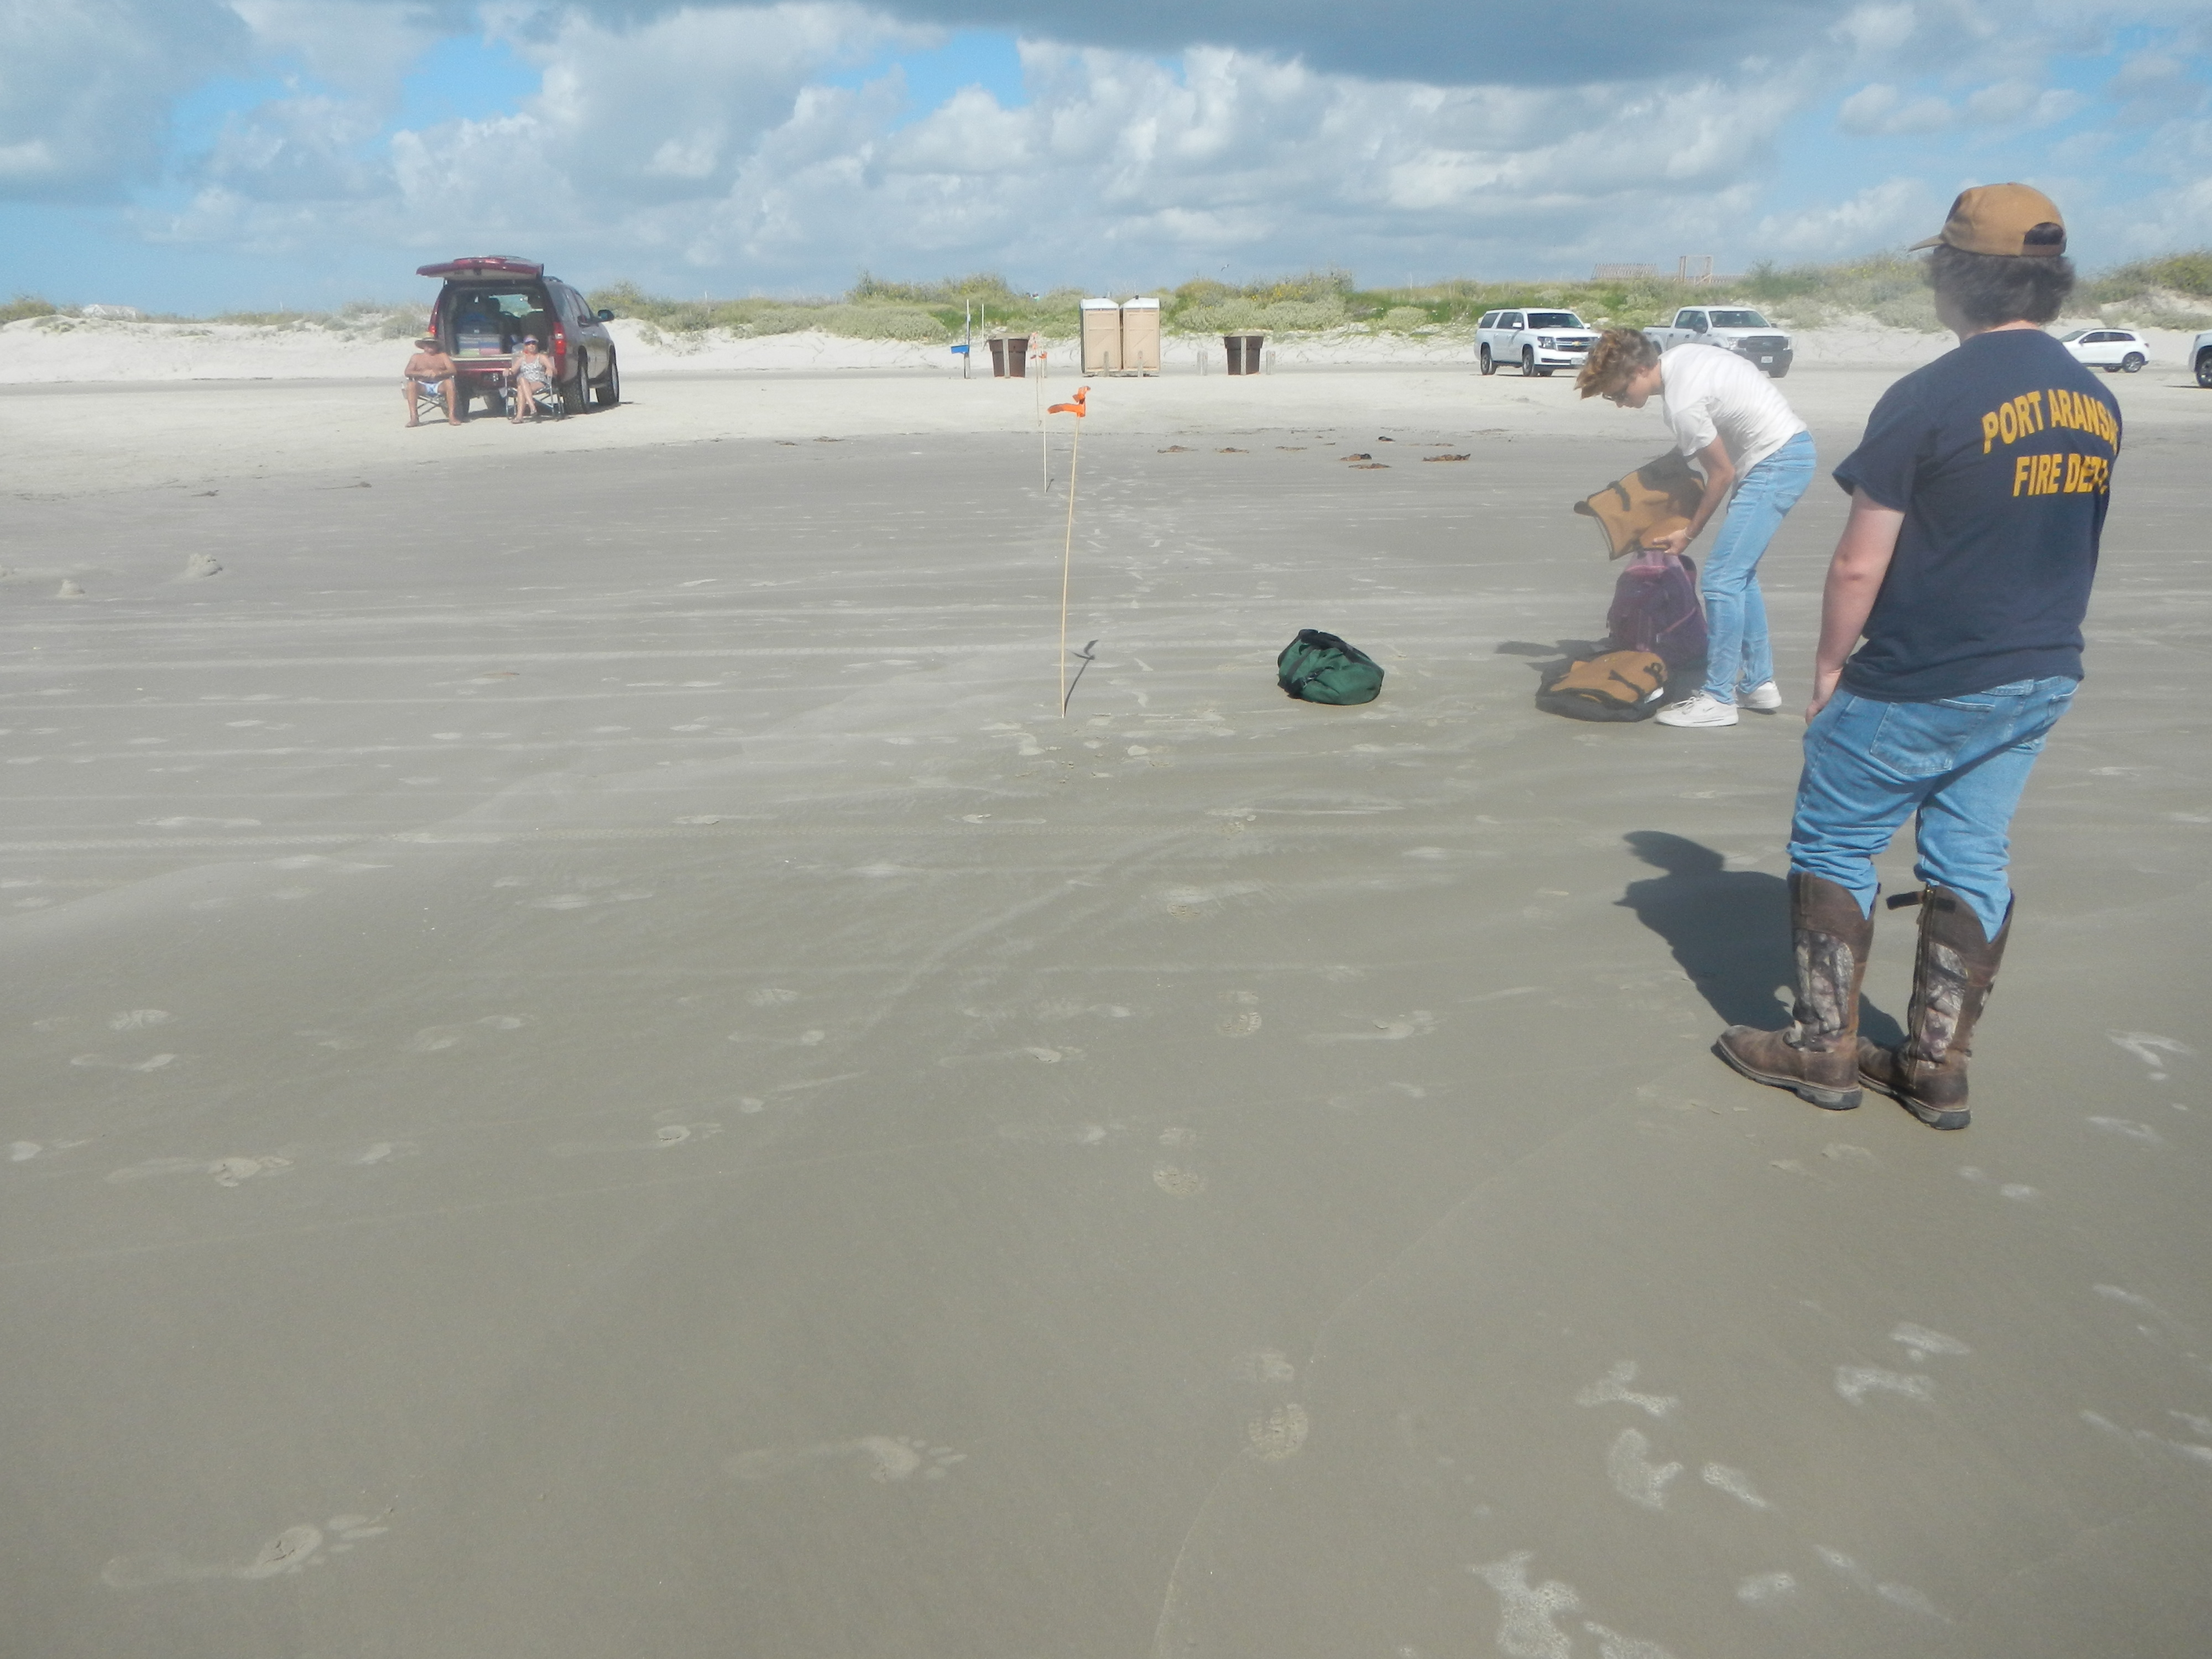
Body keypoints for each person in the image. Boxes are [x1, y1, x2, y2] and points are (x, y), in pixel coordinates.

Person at [1713, 184, 2119, 1130]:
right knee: (1972, 851)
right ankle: (1936, 1063)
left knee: (1835, 840)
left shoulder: (1932, 395)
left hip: (1924, 671)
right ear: (2050, 282)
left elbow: (1860, 561)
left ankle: (1823, 1047)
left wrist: (1827, 669)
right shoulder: (2095, 399)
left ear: (1955, 277)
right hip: (2040, 669)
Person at [1577, 326, 1816, 727]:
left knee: (1722, 579)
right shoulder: (1685, 357)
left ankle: (1718, 699)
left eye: (1618, 393)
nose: (1619, 403)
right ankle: (1758, 684)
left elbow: (1719, 474)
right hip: (1784, 453)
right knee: (1741, 575)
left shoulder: (1680, 403)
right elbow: (1712, 434)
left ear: (1638, 370)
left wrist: (1688, 533)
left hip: (1776, 463)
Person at [401, 336, 457, 426]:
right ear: (423, 346)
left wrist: (439, 373)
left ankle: (452, 416)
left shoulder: (443, 356)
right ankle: (414, 418)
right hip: (422, 385)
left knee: (450, 383)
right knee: (411, 385)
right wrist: (422, 373)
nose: (430, 346)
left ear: (437, 346)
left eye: (433, 344)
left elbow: (453, 371)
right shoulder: (416, 357)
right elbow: (408, 372)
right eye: (427, 344)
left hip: (439, 385)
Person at [508, 336, 552, 422]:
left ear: (537, 345)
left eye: (533, 343)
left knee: (521, 383)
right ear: (525, 346)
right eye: (528, 344)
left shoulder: (541, 357)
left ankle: (520, 416)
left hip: (539, 381)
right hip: (526, 383)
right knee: (522, 384)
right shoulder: (522, 359)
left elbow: (552, 368)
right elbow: (513, 371)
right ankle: (532, 407)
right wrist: (508, 371)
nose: (531, 345)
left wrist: (550, 369)